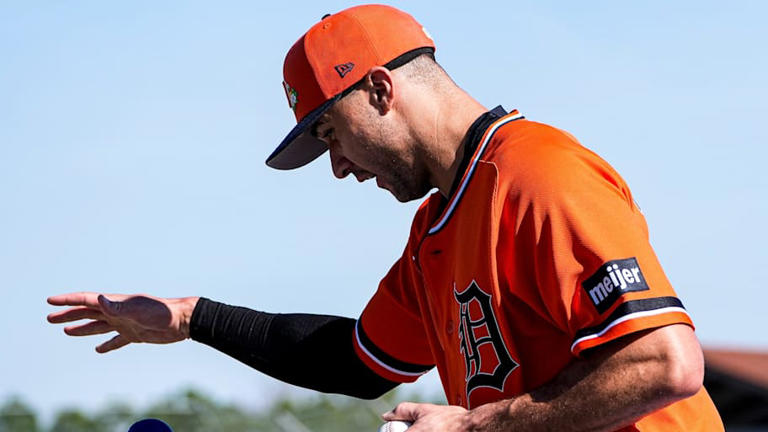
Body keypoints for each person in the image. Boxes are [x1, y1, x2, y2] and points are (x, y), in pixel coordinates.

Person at [47, 5, 724, 431]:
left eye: (331, 135)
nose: (337, 167)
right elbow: (359, 362)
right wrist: (194, 317)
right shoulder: (437, 231)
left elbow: (664, 362)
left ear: (379, 88)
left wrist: (474, 427)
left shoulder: (537, 174)